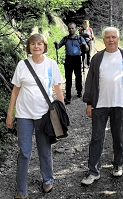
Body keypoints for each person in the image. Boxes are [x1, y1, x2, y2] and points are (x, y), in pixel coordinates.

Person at [81, 27, 123, 185]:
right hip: (100, 104)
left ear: (118, 39)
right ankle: (93, 171)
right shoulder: (97, 58)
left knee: (119, 137)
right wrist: (89, 103)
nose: (111, 40)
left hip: (121, 104)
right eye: (108, 37)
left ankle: (118, 165)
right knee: (96, 138)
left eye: (114, 37)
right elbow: (89, 82)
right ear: (103, 39)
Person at [6, 33, 64, 198]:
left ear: (44, 46)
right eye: (33, 44)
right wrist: (11, 114)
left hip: (44, 115)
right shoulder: (22, 65)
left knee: (44, 150)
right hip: (24, 114)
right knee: (24, 151)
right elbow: (15, 91)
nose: (36, 47)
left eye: (39, 44)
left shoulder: (51, 64)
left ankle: (47, 180)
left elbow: (58, 89)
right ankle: (21, 189)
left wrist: (61, 114)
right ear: (29, 47)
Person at [54, 22, 89, 105]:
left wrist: (85, 45)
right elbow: (58, 47)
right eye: (69, 28)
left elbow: (87, 49)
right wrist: (56, 45)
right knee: (68, 78)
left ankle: (79, 91)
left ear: (76, 29)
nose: (71, 30)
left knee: (78, 76)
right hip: (68, 59)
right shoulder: (65, 38)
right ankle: (68, 96)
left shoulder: (80, 38)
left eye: (72, 28)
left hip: (77, 59)